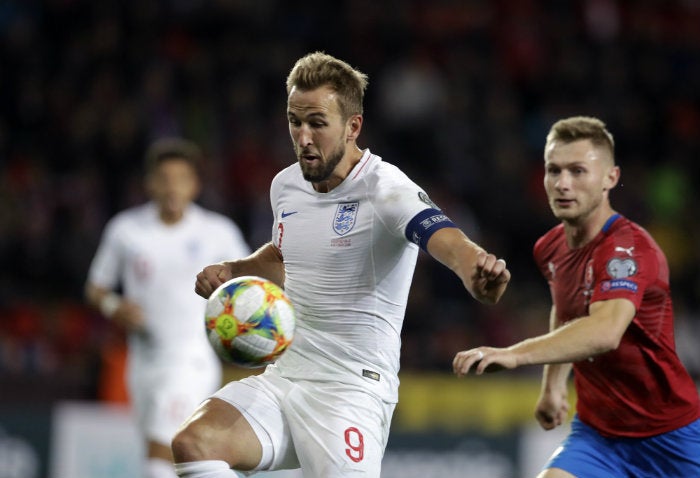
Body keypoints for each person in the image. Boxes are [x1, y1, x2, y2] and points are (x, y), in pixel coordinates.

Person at [170, 51, 511, 478]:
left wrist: (473, 270)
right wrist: (236, 269)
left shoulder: (386, 189)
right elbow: (283, 256)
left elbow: (446, 240)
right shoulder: (286, 186)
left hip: (350, 390)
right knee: (194, 443)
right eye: (295, 121)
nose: (304, 137)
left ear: (353, 126)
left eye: (317, 123)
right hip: (286, 376)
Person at [453, 116, 700, 478]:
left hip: (671, 436)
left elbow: (604, 332)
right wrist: (553, 386)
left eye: (578, 171)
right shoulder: (549, 247)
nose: (563, 184)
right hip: (598, 436)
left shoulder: (627, 250)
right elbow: (568, 311)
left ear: (610, 178)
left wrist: (514, 354)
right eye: (554, 170)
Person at [85, 137, 251, 478]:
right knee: (181, 460)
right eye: (164, 178)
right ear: (149, 183)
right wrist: (115, 306)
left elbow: (248, 285)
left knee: (160, 455)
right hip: (142, 363)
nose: (172, 187)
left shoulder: (217, 232)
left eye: (181, 179)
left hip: (190, 359)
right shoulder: (126, 230)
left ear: (195, 185)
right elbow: (96, 288)